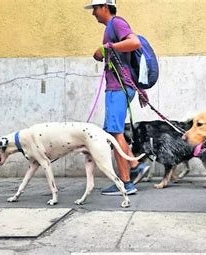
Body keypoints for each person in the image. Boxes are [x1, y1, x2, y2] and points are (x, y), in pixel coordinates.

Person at [84, 0, 149, 195]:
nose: (93, 13)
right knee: (111, 132)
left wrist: (106, 48)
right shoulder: (111, 27)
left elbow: (134, 42)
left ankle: (126, 183)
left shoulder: (116, 23)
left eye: (95, 9)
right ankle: (136, 165)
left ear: (104, 7)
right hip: (120, 87)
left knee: (114, 132)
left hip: (118, 88)